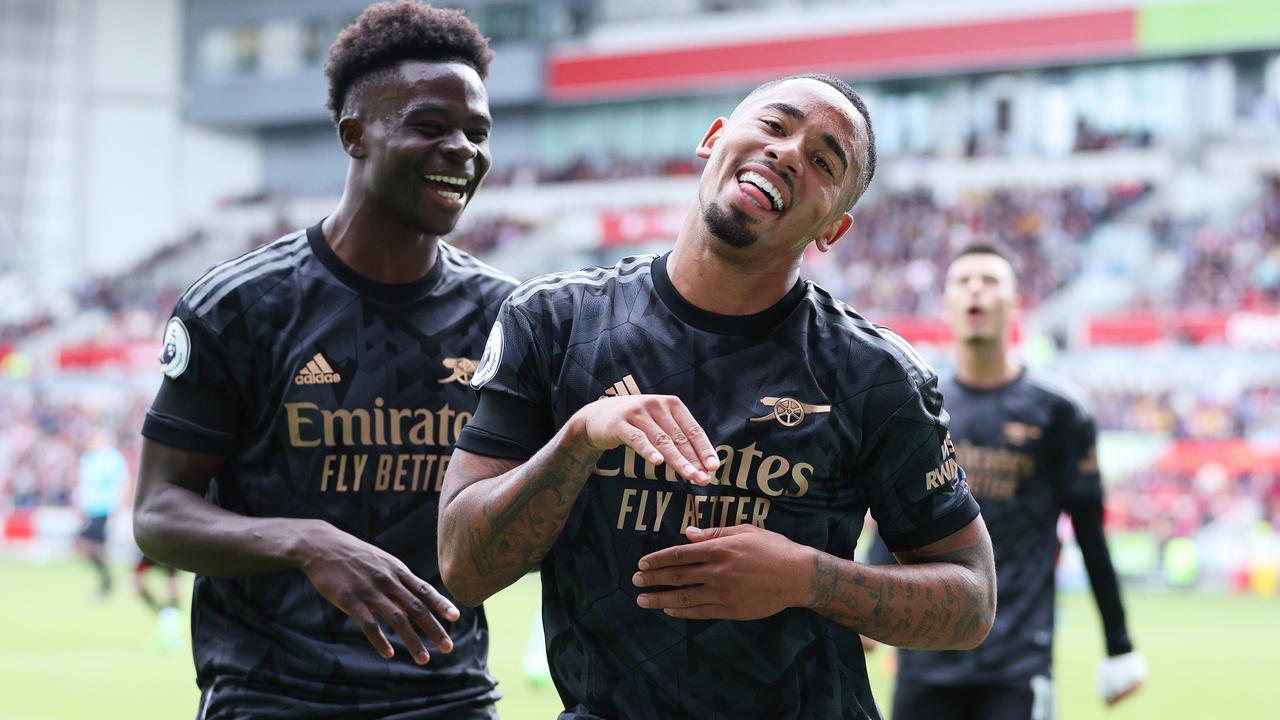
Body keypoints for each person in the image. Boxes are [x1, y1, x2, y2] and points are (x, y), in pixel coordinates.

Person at [437, 73, 997, 720]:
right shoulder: (553, 323)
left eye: (822, 161)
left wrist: (808, 578)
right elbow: (463, 566)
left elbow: (972, 601)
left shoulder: (877, 375)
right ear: (714, 139)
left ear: (833, 230)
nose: (787, 153)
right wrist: (579, 439)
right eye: (775, 125)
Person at [132, 3, 513, 717]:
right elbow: (157, 513)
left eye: (478, 132)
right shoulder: (242, 306)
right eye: (431, 126)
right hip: (272, 694)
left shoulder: (506, 317)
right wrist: (303, 543)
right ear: (354, 135)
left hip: (447, 694)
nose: (464, 148)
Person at [886, 242, 1146, 719]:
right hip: (925, 655)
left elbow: (1091, 534)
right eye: (962, 282)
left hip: (1017, 660)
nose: (975, 291)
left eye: (989, 281)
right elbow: (895, 516)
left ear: (1015, 303)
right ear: (947, 304)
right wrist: (865, 611)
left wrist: (1120, 644)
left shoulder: (1059, 411)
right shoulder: (917, 406)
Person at [75, 428, 128, 599]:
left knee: (86, 543)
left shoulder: (112, 458)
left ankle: (106, 581)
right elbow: (84, 485)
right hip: (91, 509)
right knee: (92, 547)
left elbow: (122, 482)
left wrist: (118, 505)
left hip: (104, 508)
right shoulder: (89, 459)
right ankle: (106, 580)